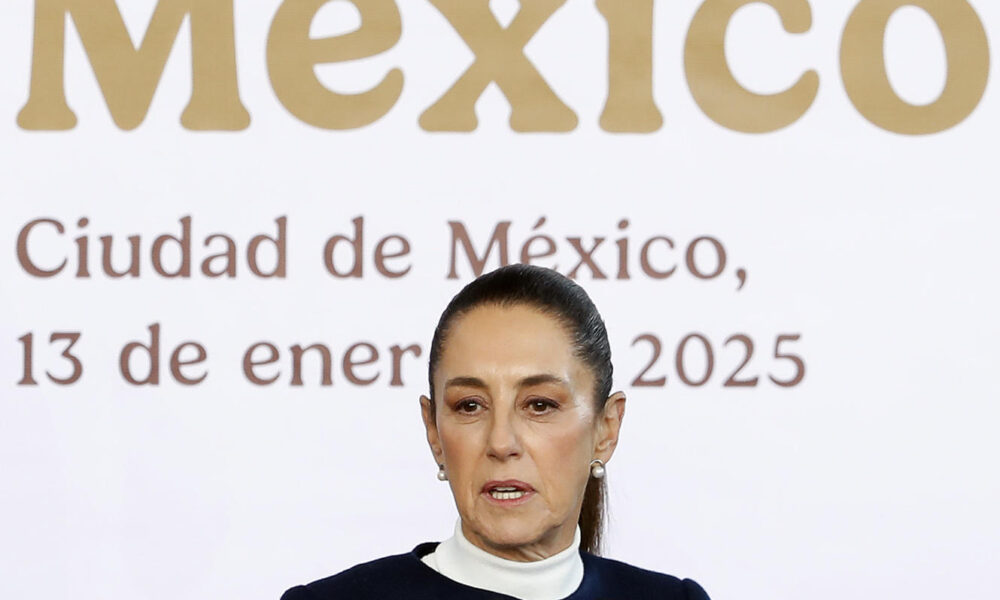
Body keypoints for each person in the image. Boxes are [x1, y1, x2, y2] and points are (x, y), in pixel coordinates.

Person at [280, 264, 710, 600]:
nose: (501, 443)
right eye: (470, 406)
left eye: (539, 405)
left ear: (606, 429)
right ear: (434, 432)